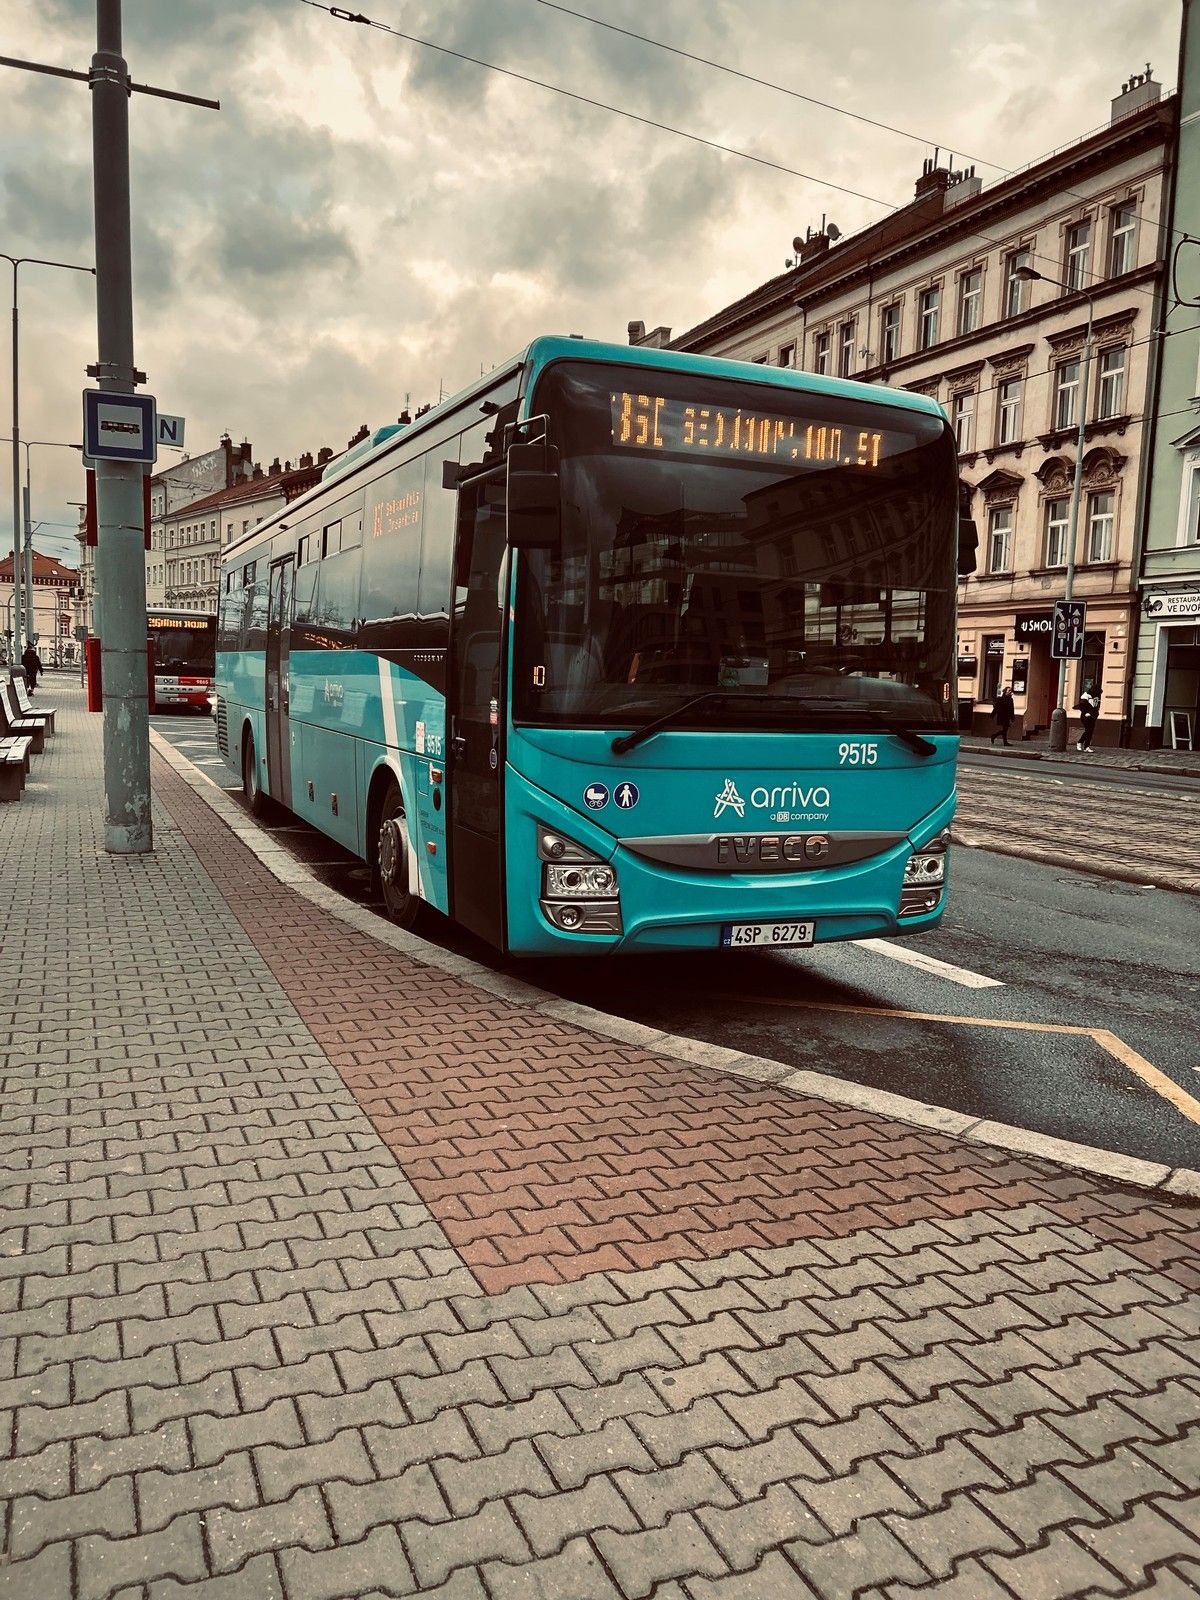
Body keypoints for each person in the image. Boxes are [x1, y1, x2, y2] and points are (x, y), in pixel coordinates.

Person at [1076, 680, 1100, 751]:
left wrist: (1095, 713)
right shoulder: (1085, 696)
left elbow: (1096, 706)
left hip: (1092, 716)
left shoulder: (1095, 697)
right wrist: (1086, 713)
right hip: (1085, 716)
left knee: (1090, 731)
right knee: (1088, 730)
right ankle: (1080, 742)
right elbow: (1082, 706)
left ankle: (1086, 746)